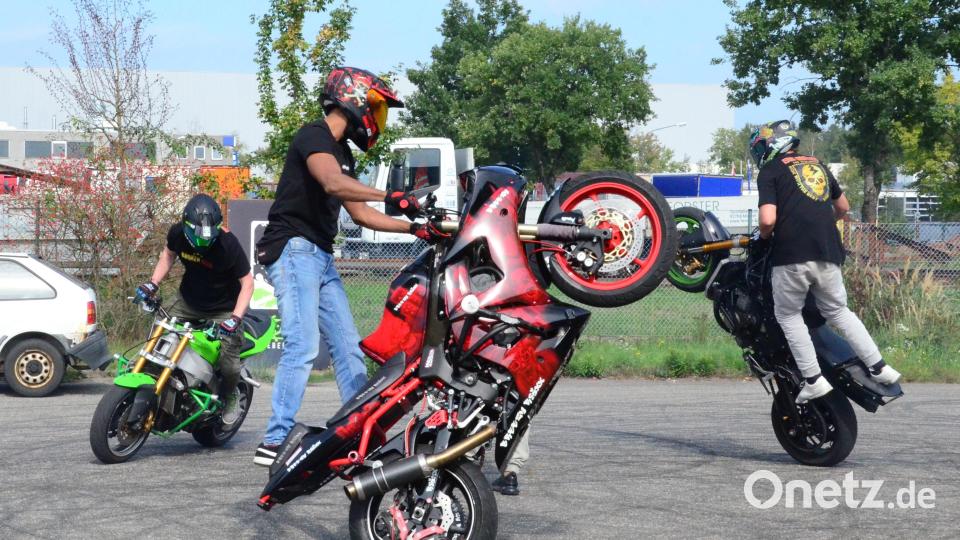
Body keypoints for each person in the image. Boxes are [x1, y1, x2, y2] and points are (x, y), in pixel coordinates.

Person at [253, 66, 442, 467]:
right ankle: (275, 439)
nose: (378, 116)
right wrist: (391, 194)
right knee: (302, 344)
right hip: (293, 248)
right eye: (376, 106)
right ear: (352, 98)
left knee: (348, 348)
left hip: (320, 256)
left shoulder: (344, 154)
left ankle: (360, 430)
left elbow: (360, 213)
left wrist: (415, 228)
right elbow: (331, 183)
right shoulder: (314, 136)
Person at [752, 120, 901, 404]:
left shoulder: (771, 170)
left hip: (792, 254)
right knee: (839, 312)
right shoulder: (817, 164)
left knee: (788, 315)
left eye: (760, 148)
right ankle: (881, 367)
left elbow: (768, 220)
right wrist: (819, 225)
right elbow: (843, 207)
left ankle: (813, 380)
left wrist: (764, 236)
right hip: (828, 251)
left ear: (772, 144)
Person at [137, 193, 254, 422]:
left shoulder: (228, 244)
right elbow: (168, 255)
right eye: (198, 238)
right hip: (187, 301)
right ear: (186, 225)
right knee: (159, 332)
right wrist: (153, 283)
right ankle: (149, 374)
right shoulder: (177, 233)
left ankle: (230, 394)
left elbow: (247, 283)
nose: (203, 244)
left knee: (229, 362)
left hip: (223, 309)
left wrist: (235, 318)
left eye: (207, 239)